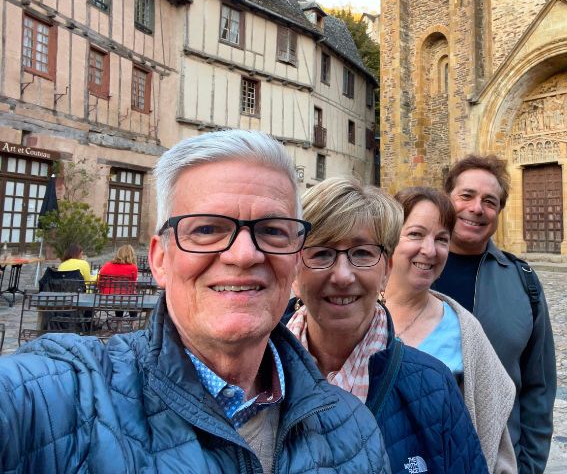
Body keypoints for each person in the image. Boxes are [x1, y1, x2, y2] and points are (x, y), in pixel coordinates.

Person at [0, 130, 389, 473]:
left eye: (272, 231)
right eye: (206, 229)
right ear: (160, 260)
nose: (243, 255)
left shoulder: (353, 428)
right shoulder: (70, 394)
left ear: (295, 258)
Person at [286, 177, 488, 474]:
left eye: (363, 253)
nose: (343, 276)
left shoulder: (435, 386)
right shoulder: (255, 377)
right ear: (294, 268)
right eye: (322, 253)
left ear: (386, 271)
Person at [431, 155, 557, 473]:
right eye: (466, 196)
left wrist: (529, 466)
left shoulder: (522, 281)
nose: (477, 208)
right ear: (446, 200)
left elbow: (539, 385)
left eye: (490, 201)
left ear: (499, 213)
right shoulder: (408, 273)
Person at [386, 186, 517, 473]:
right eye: (416, 234)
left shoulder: (463, 329)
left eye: (442, 239)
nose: (430, 250)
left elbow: (492, 429)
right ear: (388, 238)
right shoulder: (352, 314)